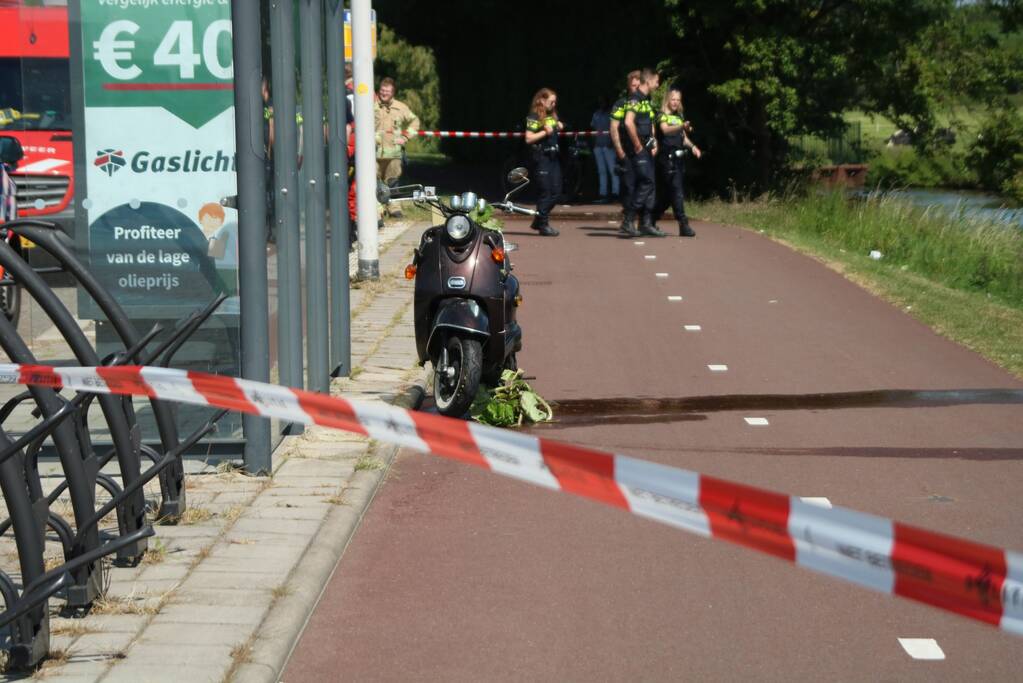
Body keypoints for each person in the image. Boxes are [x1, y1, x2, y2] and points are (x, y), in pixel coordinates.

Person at [653, 87, 701, 237]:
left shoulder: (679, 116)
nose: (675, 102)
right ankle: (683, 224)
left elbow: (683, 137)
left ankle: (650, 218)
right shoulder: (661, 115)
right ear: (667, 99)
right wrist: (682, 126)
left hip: (679, 159)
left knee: (668, 196)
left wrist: (693, 147)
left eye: (678, 100)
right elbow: (666, 130)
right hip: (666, 158)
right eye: (673, 99)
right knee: (677, 191)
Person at [623, 68, 662, 237]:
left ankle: (645, 223)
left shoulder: (647, 100)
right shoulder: (634, 98)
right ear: (648, 81)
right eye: (656, 81)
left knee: (651, 184)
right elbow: (628, 122)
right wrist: (637, 145)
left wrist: (653, 141)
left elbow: (649, 122)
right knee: (645, 182)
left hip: (648, 147)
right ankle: (628, 220)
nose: (658, 84)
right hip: (639, 149)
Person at [374, 77, 420, 219]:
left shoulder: (401, 107)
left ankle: (394, 207)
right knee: (373, 182)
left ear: (393, 92)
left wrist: (405, 137)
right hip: (373, 153)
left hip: (393, 153)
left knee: (392, 181)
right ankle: (377, 211)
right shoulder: (371, 105)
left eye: (387, 91)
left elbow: (415, 121)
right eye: (382, 90)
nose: (384, 93)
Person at [524, 88, 563, 237]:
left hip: (554, 157)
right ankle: (543, 224)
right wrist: (544, 132)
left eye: (555, 102)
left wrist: (559, 124)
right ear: (541, 100)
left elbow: (555, 127)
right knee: (546, 192)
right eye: (551, 101)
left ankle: (539, 219)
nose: (553, 104)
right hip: (542, 158)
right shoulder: (534, 117)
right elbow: (528, 138)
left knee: (557, 192)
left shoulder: (551, 116)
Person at [609, 70, 641, 234]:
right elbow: (613, 128)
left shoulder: (645, 103)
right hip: (626, 151)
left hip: (642, 151)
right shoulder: (621, 103)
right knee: (628, 186)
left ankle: (640, 220)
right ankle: (629, 219)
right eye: (633, 85)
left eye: (638, 84)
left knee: (642, 185)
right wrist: (620, 150)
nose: (635, 88)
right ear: (628, 86)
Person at [590, 97, 617, 203]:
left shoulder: (611, 114)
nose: (602, 103)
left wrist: (612, 142)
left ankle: (616, 193)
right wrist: (594, 145)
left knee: (613, 170)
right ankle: (603, 193)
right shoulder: (596, 114)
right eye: (600, 102)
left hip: (608, 145)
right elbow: (593, 129)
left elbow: (614, 128)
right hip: (598, 145)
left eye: (603, 101)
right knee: (601, 171)